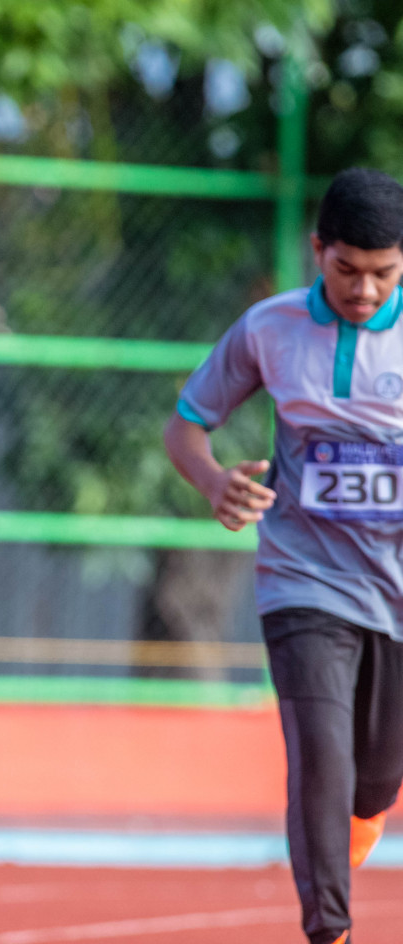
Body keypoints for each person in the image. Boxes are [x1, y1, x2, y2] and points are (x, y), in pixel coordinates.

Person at [164, 167, 403, 944]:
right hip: (304, 581)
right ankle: (328, 930)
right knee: (321, 757)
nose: (363, 291)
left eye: (384, 274)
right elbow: (186, 425)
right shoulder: (269, 328)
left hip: (395, 592)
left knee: (374, 777)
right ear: (317, 250)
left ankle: (367, 811)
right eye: (346, 271)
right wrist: (212, 482)